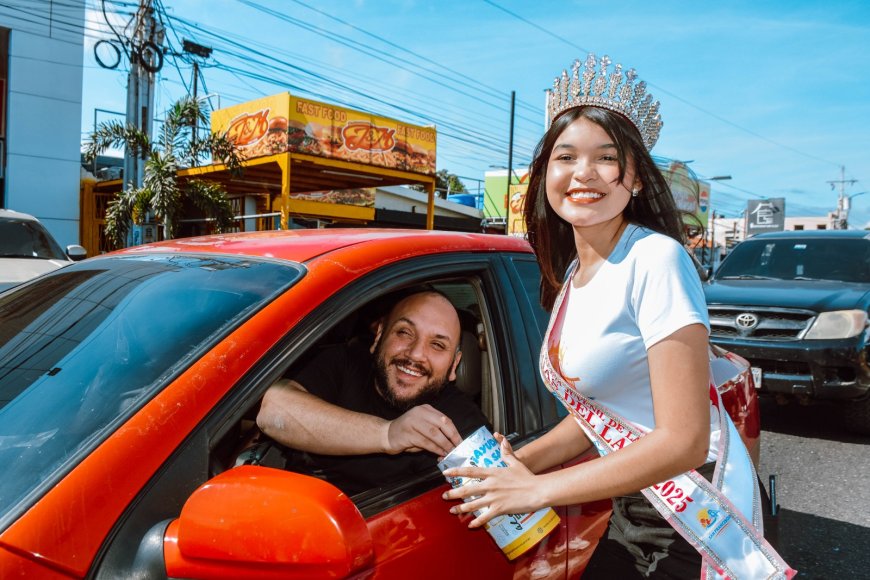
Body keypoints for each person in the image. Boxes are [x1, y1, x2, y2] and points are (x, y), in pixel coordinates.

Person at [442, 55, 793, 578]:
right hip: (630, 507)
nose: (583, 174)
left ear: (635, 179)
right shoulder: (574, 279)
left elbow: (684, 439)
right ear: (544, 177)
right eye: (565, 157)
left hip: (690, 516)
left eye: (606, 158)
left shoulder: (656, 259)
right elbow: (595, 419)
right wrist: (519, 464)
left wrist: (536, 489)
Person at [256, 289, 488, 496]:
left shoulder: (459, 421)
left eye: (437, 345)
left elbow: (498, 490)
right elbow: (272, 410)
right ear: (378, 336)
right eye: (405, 332)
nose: (416, 354)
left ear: (454, 364)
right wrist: (387, 434)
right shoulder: (345, 362)